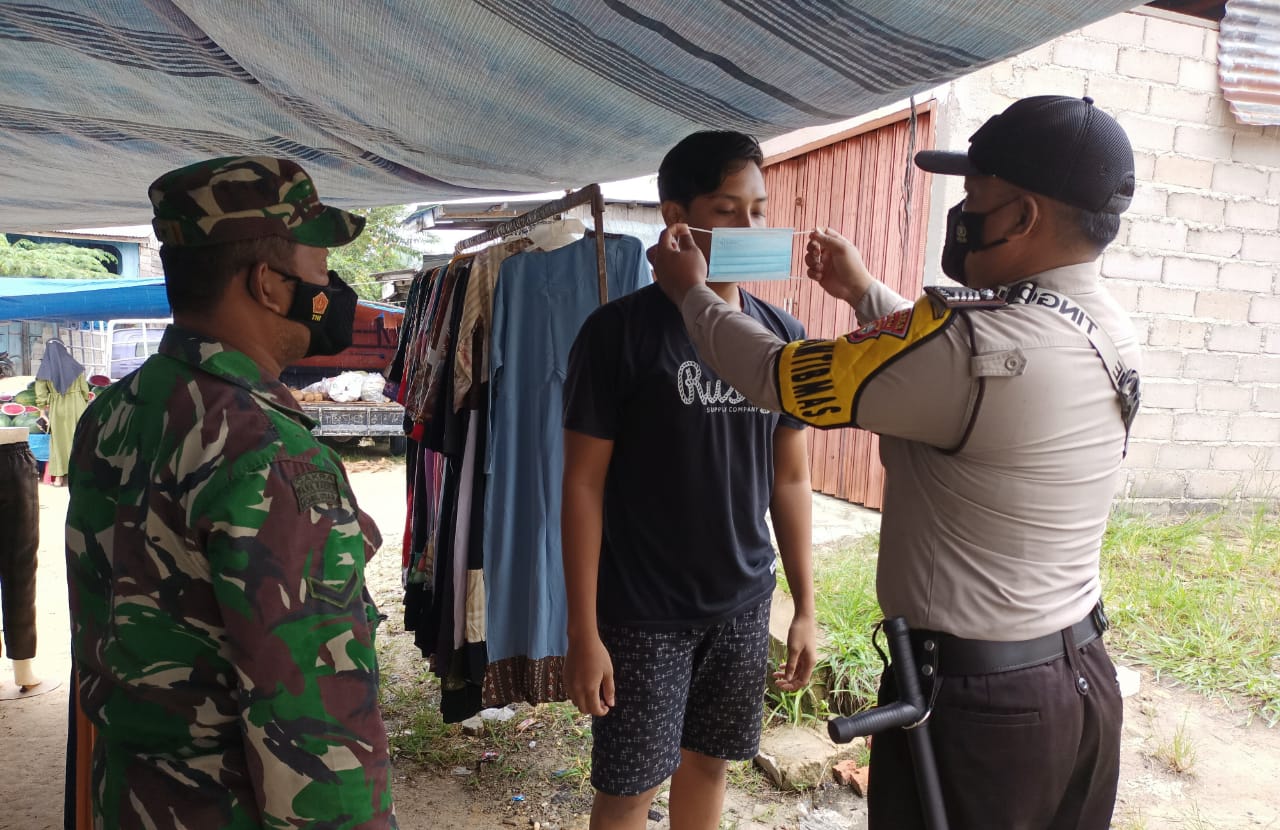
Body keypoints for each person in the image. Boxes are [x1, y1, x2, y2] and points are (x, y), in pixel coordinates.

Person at [648, 96, 1140, 830]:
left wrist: (691, 295)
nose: (964, 210)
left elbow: (781, 376)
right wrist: (861, 293)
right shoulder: (1105, 325)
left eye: (975, 195)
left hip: (985, 706)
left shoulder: (979, 347)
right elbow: (940, 374)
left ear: (1023, 217)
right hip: (1079, 680)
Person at [64, 156, 397, 829]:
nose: (333, 287)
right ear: (270, 285)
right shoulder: (268, 450)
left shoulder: (118, 412)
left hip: (127, 800)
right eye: (320, 269)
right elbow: (316, 731)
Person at [562, 131, 817, 830]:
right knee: (629, 790)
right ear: (679, 219)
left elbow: (789, 482)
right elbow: (581, 486)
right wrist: (584, 631)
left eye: (759, 210)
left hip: (740, 603)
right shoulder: (618, 334)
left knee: (708, 764)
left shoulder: (780, 336)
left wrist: (805, 605)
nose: (751, 227)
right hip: (643, 614)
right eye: (728, 209)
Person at [0, 423, 41, 691]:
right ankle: (23, 669)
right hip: (12, 455)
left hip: (13, 452)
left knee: (21, 566)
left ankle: (24, 666)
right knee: (20, 567)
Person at [34, 338, 90, 486]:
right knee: (80, 439)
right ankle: (81, 475)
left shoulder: (44, 369)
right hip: (77, 405)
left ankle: (58, 478)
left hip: (57, 408)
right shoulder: (75, 367)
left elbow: (41, 395)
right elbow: (85, 390)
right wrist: (82, 399)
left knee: (58, 442)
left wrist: (42, 413)